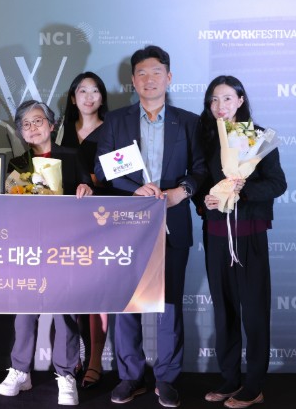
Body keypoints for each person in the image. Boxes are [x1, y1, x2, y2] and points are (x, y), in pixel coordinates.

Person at [94, 45, 206, 408]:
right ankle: (130, 375)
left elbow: (201, 169)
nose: (149, 79)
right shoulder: (118, 121)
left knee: (168, 304)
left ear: (168, 77)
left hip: (173, 220)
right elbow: (103, 168)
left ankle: (167, 378)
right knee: (128, 302)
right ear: (132, 80)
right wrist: (134, 189)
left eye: (156, 72)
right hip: (128, 222)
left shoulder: (188, 122)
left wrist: (180, 192)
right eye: (142, 73)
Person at [197, 76, 286, 408]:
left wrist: (244, 190)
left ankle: (254, 384)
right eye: (214, 100)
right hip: (216, 235)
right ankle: (230, 377)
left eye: (226, 98)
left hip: (249, 233)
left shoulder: (257, 137)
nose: (220, 106)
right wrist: (205, 200)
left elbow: (278, 183)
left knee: (254, 311)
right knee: (224, 310)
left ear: (240, 100)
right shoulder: (206, 139)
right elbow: (199, 182)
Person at [0, 100, 92, 406]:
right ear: (21, 133)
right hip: (29, 248)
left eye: (38, 121)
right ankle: (20, 370)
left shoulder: (72, 156)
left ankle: (65, 373)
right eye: (26, 124)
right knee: (25, 311)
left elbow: (88, 192)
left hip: (66, 247)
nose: (33, 128)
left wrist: (86, 189)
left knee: (65, 313)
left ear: (52, 125)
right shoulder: (16, 165)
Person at [58, 72, 109, 389]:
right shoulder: (61, 131)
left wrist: (86, 179)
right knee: (72, 292)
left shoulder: (114, 128)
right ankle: (72, 356)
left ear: (102, 97)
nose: (88, 97)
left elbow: (121, 174)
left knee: (98, 294)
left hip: (102, 218)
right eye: (82, 91)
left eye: (95, 91)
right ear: (72, 97)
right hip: (68, 220)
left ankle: (95, 360)